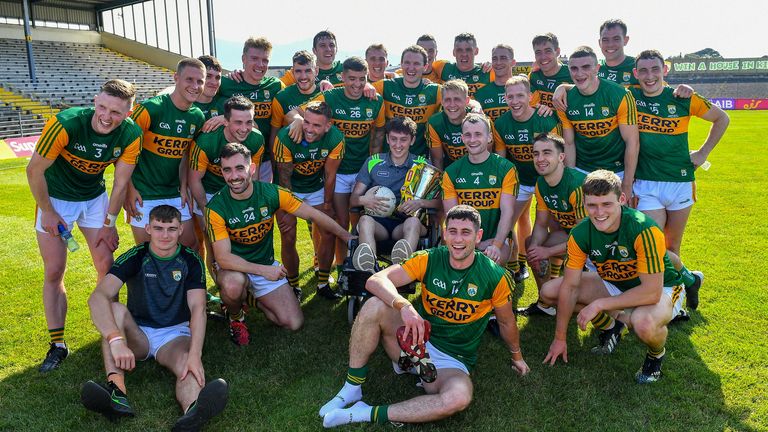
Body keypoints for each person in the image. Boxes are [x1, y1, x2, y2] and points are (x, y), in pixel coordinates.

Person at [319, 205, 529, 427]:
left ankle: (363, 413)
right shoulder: (429, 258)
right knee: (374, 305)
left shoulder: (494, 276)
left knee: (458, 397)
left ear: (478, 237)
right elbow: (375, 280)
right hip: (413, 341)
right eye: (453, 231)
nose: (458, 239)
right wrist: (404, 306)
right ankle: (352, 388)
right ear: (445, 233)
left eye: (466, 232)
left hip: (452, 360)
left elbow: (506, 321)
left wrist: (517, 357)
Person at [27, 79, 143, 372]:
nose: (106, 116)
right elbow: (34, 170)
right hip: (55, 199)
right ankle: (57, 344)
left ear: (129, 112)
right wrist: (48, 211)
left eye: (116, 112)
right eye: (102, 107)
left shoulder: (131, 134)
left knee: (107, 267)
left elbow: (120, 184)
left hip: (93, 199)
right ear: (94, 101)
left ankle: (111, 334)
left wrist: (109, 223)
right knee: (54, 270)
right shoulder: (64, 124)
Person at [81, 205, 229, 428]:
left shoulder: (190, 260)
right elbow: (98, 297)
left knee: (186, 364)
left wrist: (195, 354)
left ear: (181, 230)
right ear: (148, 228)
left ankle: (192, 413)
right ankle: (116, 392)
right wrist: (116, 340)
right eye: (159, 228)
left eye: (171, 229)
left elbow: (198, 308)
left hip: (174, 335)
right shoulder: (136, 256)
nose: (165, 235)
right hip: (137, 332)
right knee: (115, 309)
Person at [542, 170, 687, 384]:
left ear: (621, 199)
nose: (599, 212)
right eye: (592, 205)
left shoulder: (643, 228)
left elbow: (651, 292)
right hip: (616, 283)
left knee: (643, 323)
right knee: (549, 292)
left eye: (607, 204)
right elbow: (570, 286)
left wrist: (599, 304)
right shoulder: (580, 233)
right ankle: (612, 327)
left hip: (662, 288)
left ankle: (656, 356)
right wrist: (560, 337)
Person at [206, 143, 353, 345]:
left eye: (240, 168)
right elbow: (223, 258)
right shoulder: (216, 207)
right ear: (221, 172)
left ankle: (251, 298)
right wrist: (264, 271)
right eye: (227, 170)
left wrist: (347, 237)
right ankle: (236, 318)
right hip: (233, 268)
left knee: (294, 322)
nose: (234, 176)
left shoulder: (271, 192)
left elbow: (313, 214)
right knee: (233, 286)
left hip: (263, 264)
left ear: (252, 168)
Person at [631, 49, 729, 308]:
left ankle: (674, 300)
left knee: (672, 246)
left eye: (655, 69)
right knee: (652, 245)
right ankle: (688, 278)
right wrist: (562, 86)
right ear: (635, 73)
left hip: (681, 181)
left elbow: (722, 118)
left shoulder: (682, 97)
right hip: (647, 183)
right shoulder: (629, 97)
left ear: (665, 70)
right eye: (643, 70)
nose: (649, 76)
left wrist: (703, 152)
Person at [285, 56, 385, 279]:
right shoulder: (330, 96)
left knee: (362, 223)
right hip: (337, 172)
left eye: (362, 79)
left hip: (362, 172)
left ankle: (361, 266)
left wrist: (373, 165)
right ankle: (342, 271)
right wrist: (298, 120)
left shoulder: (375, 100)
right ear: (342, 77)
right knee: (340, 222)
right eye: (351, 78)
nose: (357, 84)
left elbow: (378, 132)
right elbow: (293, 113)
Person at [125, 58, 207, 249]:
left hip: (174, 192)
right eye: (189, 79)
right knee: (147, 253)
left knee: (190, 246)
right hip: (143, 192)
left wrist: (185, 185)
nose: (195, 86)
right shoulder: (150, 109)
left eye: (200, 81)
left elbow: (186, 153)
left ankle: (187, 281)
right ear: (176, 78)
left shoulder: (197, 116)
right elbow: (122, 149)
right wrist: (128, 189)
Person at [493, 75, 561, 282]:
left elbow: (559, 157)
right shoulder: (501, 123)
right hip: (521, 181)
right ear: (505, 98)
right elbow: (502, 160)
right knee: (504, 223)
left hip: (547, 180)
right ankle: (514, 267)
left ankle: (555, 278)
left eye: (520, 96)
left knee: (555, 226)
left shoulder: (546, 119)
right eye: (510, 96)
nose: (515, 101)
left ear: (530, 96)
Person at [188, 95, 264, 281]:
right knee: (212, 241)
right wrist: (206, 210)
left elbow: (254, 175)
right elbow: (195, 179)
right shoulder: (206, 141)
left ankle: (246, 283)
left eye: (249, 122)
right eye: (238, 122)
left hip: (238, 190)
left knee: (243, 237)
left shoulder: (256, 139)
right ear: (226, 121)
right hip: (210, 192)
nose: (244, 128)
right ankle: (221, 286)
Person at [273, 101, 344, 299]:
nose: (309, 129)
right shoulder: (285, 137)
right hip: (289, 190)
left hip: (315, 188)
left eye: (316, 125)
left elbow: (330, 175)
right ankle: (294, 286)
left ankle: (323, 284)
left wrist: (328, 204)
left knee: (328, 231)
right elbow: (284, 178)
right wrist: (287, 210)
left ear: (327, 126)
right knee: (288, 234)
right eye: (307, 122)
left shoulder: (336, 137)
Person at [350, 117, 440, 271]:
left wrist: (420, 203)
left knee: (412, 223)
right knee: (364, 219)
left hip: (407, 224)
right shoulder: (373, 162)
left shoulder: (423, 165)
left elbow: (439, 202)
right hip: (380, 225)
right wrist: (365, 200)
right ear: (387, 139)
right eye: (393, 139)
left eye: (403, 140)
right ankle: (370, 269)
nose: (398, 145)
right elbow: (353, 200)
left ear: (412, 141)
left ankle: (400, 269)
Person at [556, 46, 639, 200]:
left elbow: (632, 142)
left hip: (617, 170)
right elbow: (569, 143)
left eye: (585, 67)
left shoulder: (619, 94)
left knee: (619, 220)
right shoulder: (565, 100)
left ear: (597, 68)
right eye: (574, 68)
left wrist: (627, 183)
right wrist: (571, 177)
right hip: (583, 170)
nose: (579, 73)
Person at [518, 133, 587, 316]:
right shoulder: (541, 182)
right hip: (571, 236)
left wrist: (547, 252)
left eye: (547, 153)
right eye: (536, 154)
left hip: (598, 244)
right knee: (531, 243)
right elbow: (541, 224)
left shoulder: (576, 184)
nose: (540, 159)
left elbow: (586, 238)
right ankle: (546, 302)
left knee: (585, 305)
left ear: (561, 157)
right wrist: (535, 249)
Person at [442, 113, 518, 265]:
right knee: (458, 264)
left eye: (478, 134)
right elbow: (452, 217)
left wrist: (496, 244)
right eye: (468, 135)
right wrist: (474, 243)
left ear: (489, 137)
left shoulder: (506, 169)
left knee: (489, 263)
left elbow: (507, 212)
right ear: (462, 138)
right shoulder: (451, 172)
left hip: (497, 240)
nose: (472, 140)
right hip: (462, 240)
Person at [212, 36, 285, 182]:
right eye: (254, 58)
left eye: (265, 60)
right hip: (228, 160)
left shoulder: (275, 85)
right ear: (243, 59)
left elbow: (296, 98)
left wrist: (324, 83)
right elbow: (201, 97)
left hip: (263, 160)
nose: (260, 64)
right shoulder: (226, 83)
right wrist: (224, 118)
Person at [371, 45, 442, 158]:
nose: (411, 68)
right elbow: (357, 89)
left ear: (425, 66)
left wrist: (475, 106)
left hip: (418, 161)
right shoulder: (385, 86)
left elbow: (461, 98)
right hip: (388, 160)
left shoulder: (435, 90)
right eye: (407, 62)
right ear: (401, 64)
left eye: (416, 64)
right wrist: (366, 86)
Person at [270, 51, 322, 143]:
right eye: (298, 71)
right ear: (293, 72)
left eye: (308, 71)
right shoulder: (282, 97)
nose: (303, 76)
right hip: (290, 153)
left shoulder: (324, 93)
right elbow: (275, 135)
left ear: (316, 71)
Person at [427, 79, 471, 170]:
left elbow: (486, 155)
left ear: (467, 101)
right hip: (451, 170)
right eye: (447, 100)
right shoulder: (434, 123)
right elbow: (437, 160)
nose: (452, 104)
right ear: (442, 102)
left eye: (457, 99)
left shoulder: (480, 119)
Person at [432, 32, 493, 97]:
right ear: (454, 52)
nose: (464, 54)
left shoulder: (487, 71)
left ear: (476, 51)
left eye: (468, 50)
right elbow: (423, 68)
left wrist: (495, 66)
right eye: (459, 50)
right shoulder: (443, 67)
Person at [528, 33, 572, 109]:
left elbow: (592, 87)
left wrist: (565, 87)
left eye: (548, 51)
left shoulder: (571, 73)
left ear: (557, 52)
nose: (543, 57)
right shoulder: (533, 76)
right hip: (543, 120)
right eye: (538, 53)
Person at [474, 44, 516, 122]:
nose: (498, 62)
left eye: (503, 58)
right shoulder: (480, 93)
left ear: (513, 62)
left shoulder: (527, 89)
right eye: (494, 59)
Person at [597, 19, 639, 87]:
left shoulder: (638, 66)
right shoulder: (594, 68)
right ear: (599, 43)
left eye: (616, 39)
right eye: (605, 40)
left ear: (625, 40)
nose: (610, 44)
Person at [194, 55, 225, 120]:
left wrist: (228, 119)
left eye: (217, 78)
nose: (214, 82)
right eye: (208, 76)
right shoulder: (184, 105)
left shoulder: (226, 104)